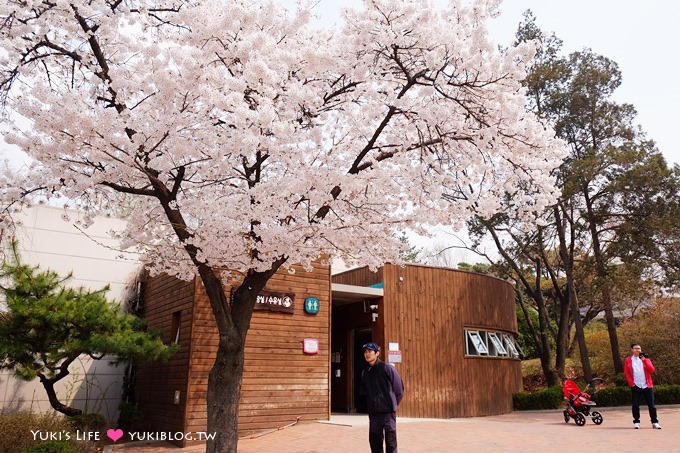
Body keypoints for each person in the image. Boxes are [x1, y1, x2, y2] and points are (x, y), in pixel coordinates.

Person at [361, 342, 404, 453]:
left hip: (388, 413)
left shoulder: (387, 368)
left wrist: (393, 404)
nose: (367, 354)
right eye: (365, 352)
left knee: (391, 444)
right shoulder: (365, 372)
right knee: (375, 444)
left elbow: (399, 390)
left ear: (377, 353)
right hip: (374, 414)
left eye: (370, 351)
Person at [624, 342, 662, 429]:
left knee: (651, 405)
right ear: (632, 350)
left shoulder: (646, 358)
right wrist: (632, 384)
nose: (638, 350)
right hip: (636, 385)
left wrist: (644, 360)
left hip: (647, 385)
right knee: (635, 404)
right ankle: (636, 422)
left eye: (639, 348)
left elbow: (652, 370)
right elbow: (627, 373)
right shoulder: (628, 360)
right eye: (636, 348)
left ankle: (654, 422)